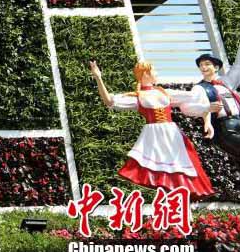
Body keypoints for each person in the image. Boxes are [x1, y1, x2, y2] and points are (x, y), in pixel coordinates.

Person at [89, 59, 213, 198]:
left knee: (178, 167)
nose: (156, 73)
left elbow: (196, 99)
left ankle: (179, 204)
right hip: (153, 136)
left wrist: (207, 119)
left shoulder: (165, 92)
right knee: (158, 169)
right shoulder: (138, 96)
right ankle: (169, 202)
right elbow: (109, 101)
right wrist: (98, 77)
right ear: (146, 73)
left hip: (171, 134)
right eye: (154, 70)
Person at [188, 54, 240, 159]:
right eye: (201, 65)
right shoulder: (199, 88)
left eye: (207, 64)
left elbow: (238, 66)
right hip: (224, 128)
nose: (203, 67)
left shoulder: (226, 82)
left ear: (216, 67)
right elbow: (191, 107)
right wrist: (206, 107)